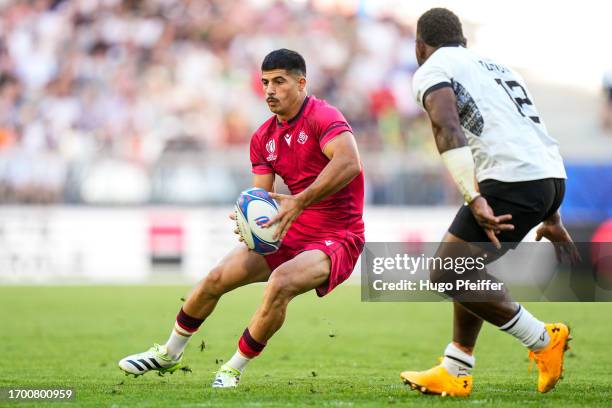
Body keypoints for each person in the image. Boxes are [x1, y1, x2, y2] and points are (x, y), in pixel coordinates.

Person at [118, 49, 365, 388]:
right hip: (290, 227)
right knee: (217, 277)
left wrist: (298, 202)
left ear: (301, 83)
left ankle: (232, 368)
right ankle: (169, 353)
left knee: (281, 282)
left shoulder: (323, 116)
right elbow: (261, 198)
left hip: (338, 235)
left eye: (279, 81)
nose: (269, 90)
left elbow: (350, 163)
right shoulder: (263, 137)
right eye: (264, 83)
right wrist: (252, 222)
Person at [399, 8, 578, 397]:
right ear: (462, 40)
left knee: (447, 271)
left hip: (511, 183)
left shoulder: (432, 68)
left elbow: (444, 126)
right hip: (549, 177)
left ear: (420, 46)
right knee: (466, 267)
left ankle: (543, 341)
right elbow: (529, 132)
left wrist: (474, 195)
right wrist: (552, 212)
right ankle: (456, 367)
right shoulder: (497, 67)